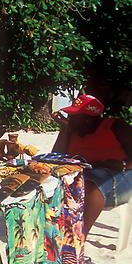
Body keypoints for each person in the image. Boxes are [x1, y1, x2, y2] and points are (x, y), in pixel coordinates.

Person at [52, 94, 132, 234]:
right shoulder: (74, 132)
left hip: (122, 175)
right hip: (87, 176)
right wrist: (65, 129)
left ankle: (77, 240)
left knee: (90, 186)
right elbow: (56, 157)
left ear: (89, 119)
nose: (70, 119)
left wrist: (123, 165)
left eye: (75, 116)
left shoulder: (115, 127)